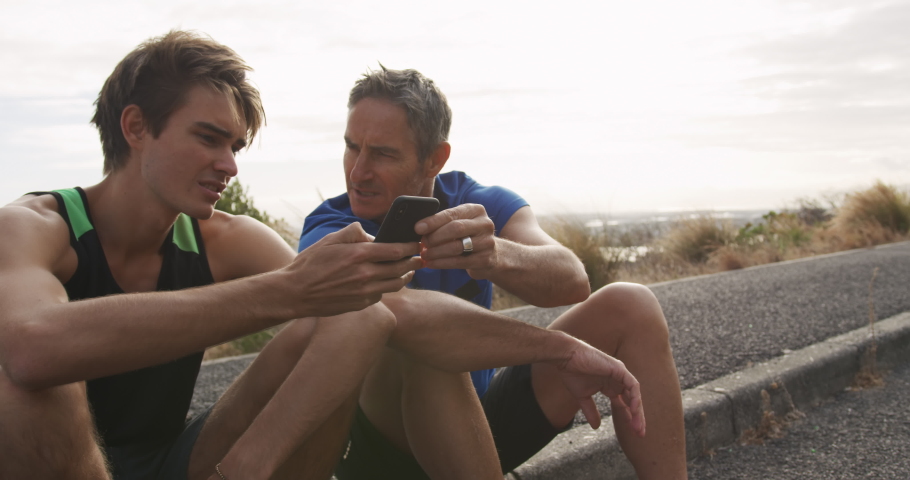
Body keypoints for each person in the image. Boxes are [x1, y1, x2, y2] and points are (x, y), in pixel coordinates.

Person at [0, 32, 644, 480]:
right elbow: (31, 344)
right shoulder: (33, 227)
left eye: (235, 146)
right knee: (23, 383)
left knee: (353, 317)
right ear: (136, 127)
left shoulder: (226, 238)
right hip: (52, 458)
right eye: (208, 139)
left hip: (182, 463)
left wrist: (556, 348)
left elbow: (379, 312)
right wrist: (284, 293)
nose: (228, 165)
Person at [299, 66, 686, 479]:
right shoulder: (331, 226)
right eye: (352, 147)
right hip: (379, 448)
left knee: (631, 304)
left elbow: (572, 280)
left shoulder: (474, 201)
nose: (358, 172)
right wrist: (562, 349)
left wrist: (495, 254)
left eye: (383, 153)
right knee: (427, 348)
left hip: (474, 424)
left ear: (435, 159)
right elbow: (404, 317)